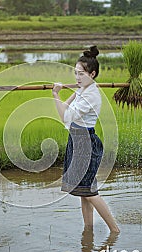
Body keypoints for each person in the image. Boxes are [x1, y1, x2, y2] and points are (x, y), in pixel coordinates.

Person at [52, 46, 120, 233]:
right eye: (75, 73)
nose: (77, 77)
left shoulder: (91, 95)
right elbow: (67, 106)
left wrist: (56, 94)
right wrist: (74, 91)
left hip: (85, 143)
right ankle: (88, 231)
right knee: (84, 192)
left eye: (81, 74)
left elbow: (65, 116)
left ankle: (114, 231)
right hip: (77, 139)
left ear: (93, 73)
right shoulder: (84, 90)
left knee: (89, 191)